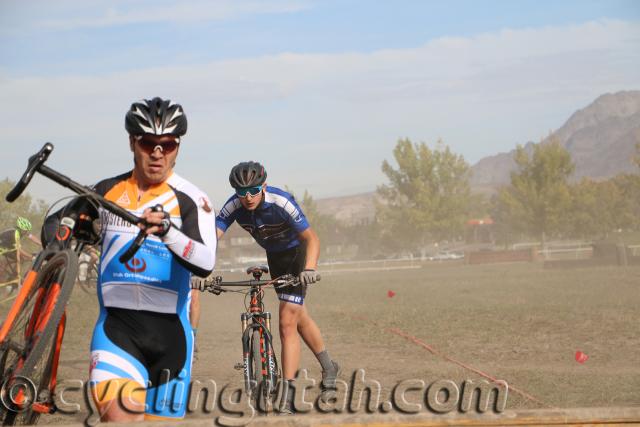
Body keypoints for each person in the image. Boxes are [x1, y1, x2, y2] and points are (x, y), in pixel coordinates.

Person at [71, 97, 216, 421]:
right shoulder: (106, 191)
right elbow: (59, 223)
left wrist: (168, 232)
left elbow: (205, 263)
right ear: (132, 142)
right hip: (117, 330)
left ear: (177, 147)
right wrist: (62, 230)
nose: (157, 152)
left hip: (172, 340)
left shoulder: (192, 199)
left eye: (167, 144)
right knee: (121, 417)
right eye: (148, 142)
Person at [215, 161, 339, 414]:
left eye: (253, 190)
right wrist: (199, 271)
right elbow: (210, 239)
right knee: (298, 316)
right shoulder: (233, 206)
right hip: (274, 256)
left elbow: (311, 238)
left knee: (286, 322)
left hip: (297, 255)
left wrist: (310, 269)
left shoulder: (280, 202)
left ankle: (287, 395)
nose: (247, 197)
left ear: (264, 185)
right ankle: (329, 365)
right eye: (241, 192)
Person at [0, 217, 40, 294]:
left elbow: (32, 237)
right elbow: (19, 251)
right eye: (25, 231)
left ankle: (9, 271)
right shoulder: (16, 234)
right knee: (20, 258)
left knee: (21, 259)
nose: (26, 232)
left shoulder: (20, 231)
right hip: (2, 248)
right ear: (21, 229)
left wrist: (41, 244)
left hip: (8, 247)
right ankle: (8, 274)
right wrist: (31, 257)